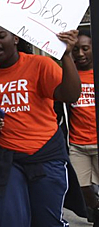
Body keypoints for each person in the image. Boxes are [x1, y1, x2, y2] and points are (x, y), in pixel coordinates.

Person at [0, 23, 85, 227]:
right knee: (12, 221)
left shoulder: (40, 64)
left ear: (15, 39)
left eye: (2, 36)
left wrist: (66, 56)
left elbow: (70, 95)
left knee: (46, 221)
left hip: (45, 156)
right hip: (7, 158)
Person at [68, 29, 99, 223]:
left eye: (85, 49)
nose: (80, 54)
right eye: (76, 49)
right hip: (77, 144)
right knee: (80, 185)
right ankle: (96, 208)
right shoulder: (70, 76)